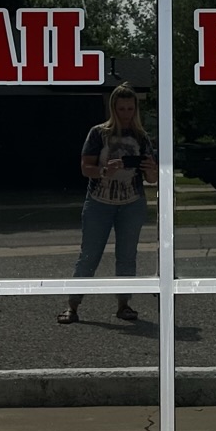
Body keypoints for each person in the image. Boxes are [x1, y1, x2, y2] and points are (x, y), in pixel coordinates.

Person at [60, 84, 158, 324]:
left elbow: (152, 179)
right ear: (113, 108)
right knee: (89, 255)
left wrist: (151, 169)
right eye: (121, 108)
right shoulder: (98, 133)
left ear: (135, 109)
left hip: (132, 201)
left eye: (130, 108)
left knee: (127, 255)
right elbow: (86, 168)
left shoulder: (141, 137)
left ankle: (124, 304)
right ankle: (72, 305)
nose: (126, 113)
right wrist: (104, 170)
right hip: (99, 201)